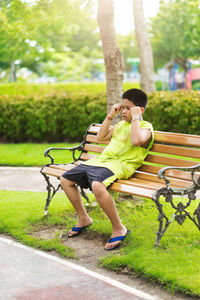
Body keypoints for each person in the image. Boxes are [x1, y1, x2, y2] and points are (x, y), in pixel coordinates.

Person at [61, 88, 154, 250]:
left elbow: (136, 141)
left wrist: (136, 119)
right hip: (102, 162)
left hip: (121, 166)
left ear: (140, 110)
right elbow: (100, 137)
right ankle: (83, 218)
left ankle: (119, 227)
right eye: (123, 107)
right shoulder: (119, 125)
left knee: (97, 185)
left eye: (128, 108)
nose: (124, 111)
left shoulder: (146, 128)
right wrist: (111, 115)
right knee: (66, 179)